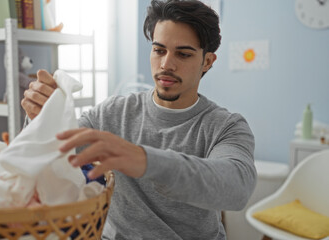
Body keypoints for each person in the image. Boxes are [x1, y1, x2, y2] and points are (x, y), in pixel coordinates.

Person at [21, 0, 256, 239]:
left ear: (207, 61)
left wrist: (144, 160)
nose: (166, 64)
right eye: (159, 50)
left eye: (183, 54)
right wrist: (42, 118)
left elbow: (237, 187)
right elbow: (54, 150)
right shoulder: (112, 113)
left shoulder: (226, 126)